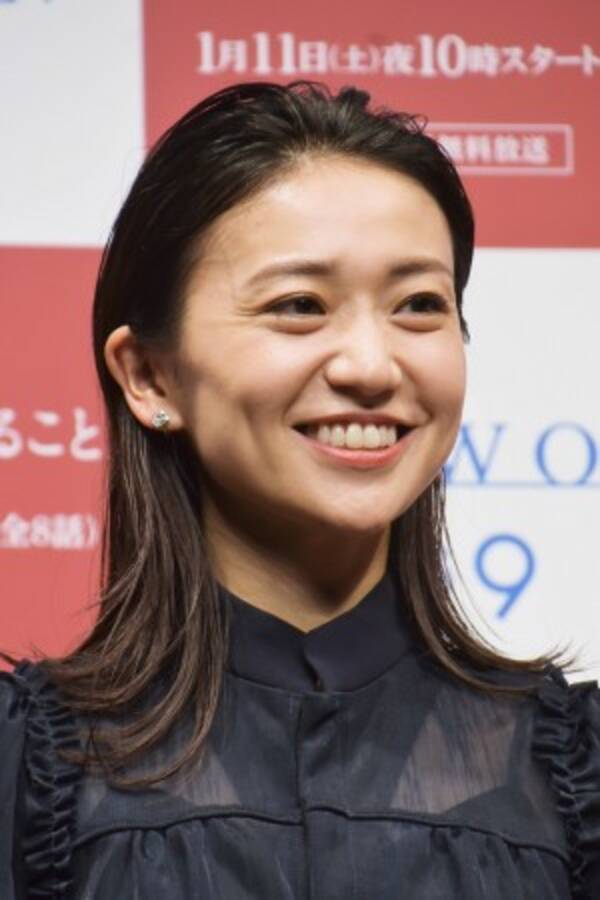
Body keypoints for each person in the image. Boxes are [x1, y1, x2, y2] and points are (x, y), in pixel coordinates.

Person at [1, 81, 598, 900]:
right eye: (299, 305)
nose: (371, 366)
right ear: (150, 376)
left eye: (419, 304)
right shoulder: (28, 771)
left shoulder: (569, 772)